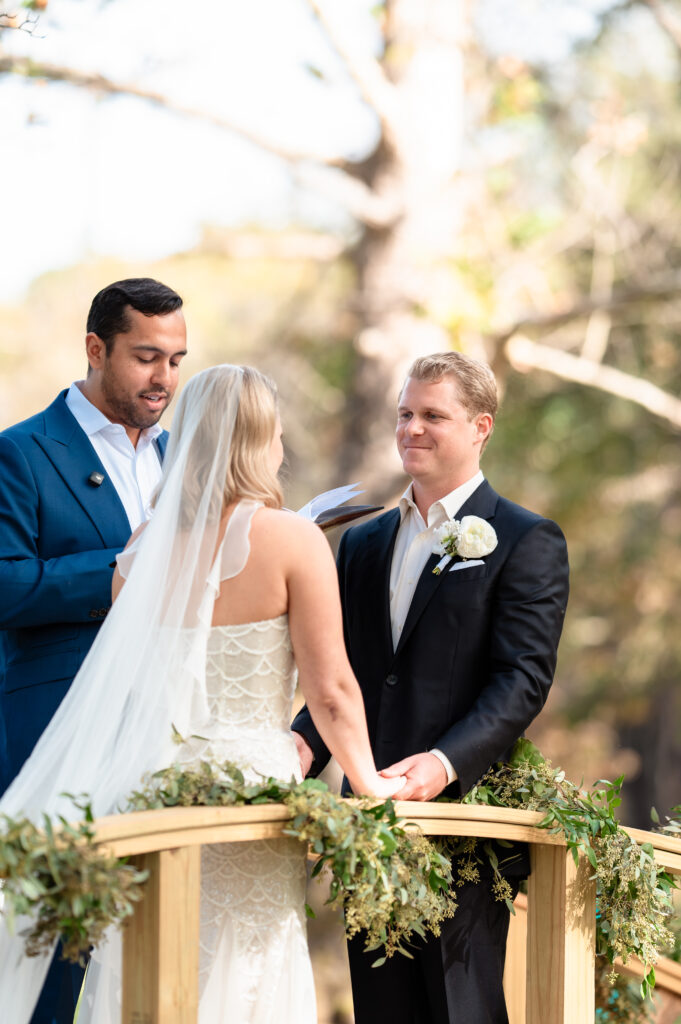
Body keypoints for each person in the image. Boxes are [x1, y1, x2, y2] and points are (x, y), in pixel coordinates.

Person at [0, 364, 403, 1024]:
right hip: (252, 791)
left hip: (154, 791)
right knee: (249, 971)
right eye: (272, 433)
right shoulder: (293, 539)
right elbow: (330, 691)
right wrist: (368, 784)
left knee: (155, 962)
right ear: (258, 441)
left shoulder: (140, 550)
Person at [293, 351, 570, 1024]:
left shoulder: (523, 539)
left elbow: (522, 679)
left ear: (480, 426)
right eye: (404, 414)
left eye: (432, 416)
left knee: (460, 1011)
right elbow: (346, 672)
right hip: (370, 820)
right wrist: (302, 746)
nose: (411, 428)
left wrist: (443, 764)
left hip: (465, 826)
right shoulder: (361, 544)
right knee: (381, 1010)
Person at [0, 276, 186, 1024]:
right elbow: (6, 587)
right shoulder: (20, 453)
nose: (163, 379)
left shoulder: (181, 456)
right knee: (51, 954)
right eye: (146, 357)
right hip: (56, 732)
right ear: (94, 348)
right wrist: (116, 574)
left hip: (168, 736)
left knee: (148, 952)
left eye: (176, 360)